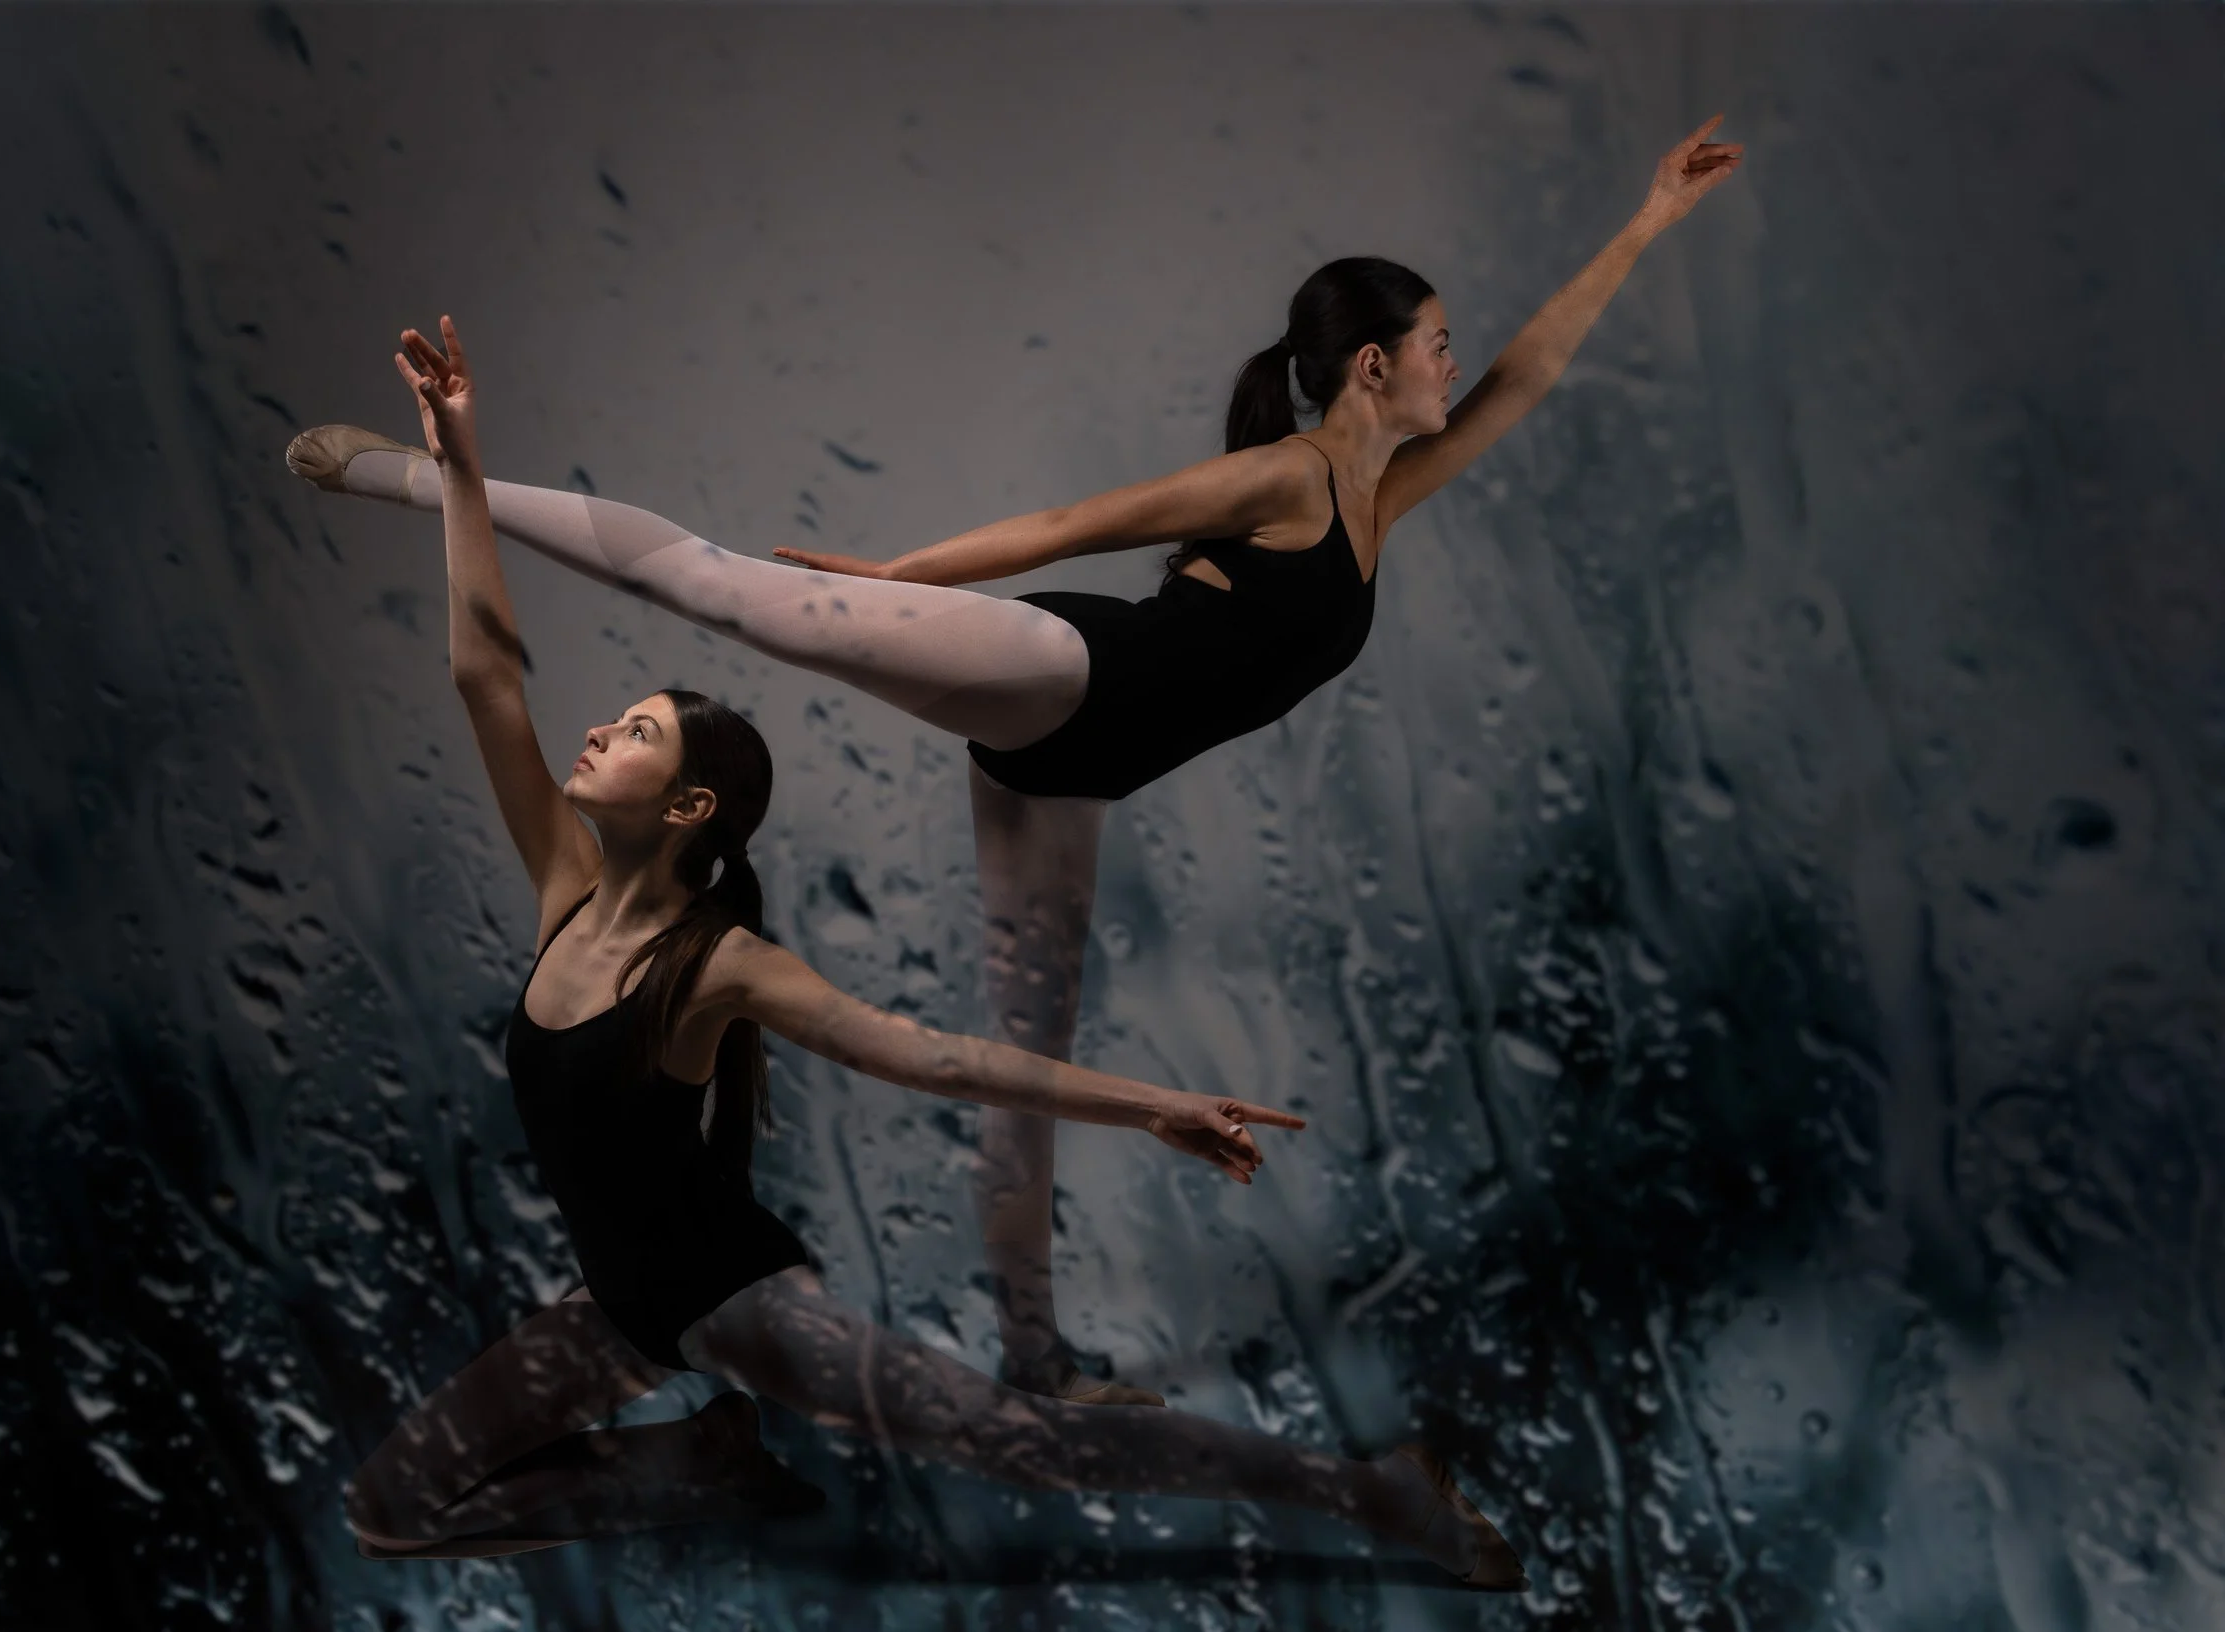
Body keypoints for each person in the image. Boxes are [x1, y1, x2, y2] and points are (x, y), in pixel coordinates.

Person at [288, 120, 1742, 1406]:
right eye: (1436, 340)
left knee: (1023, 1059)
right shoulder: (1290, 477)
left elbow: (1527, 377)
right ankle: (415, 471)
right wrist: (897, 578)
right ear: (1374, 363)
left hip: (1073, 777)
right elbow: (1072, 524)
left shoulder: (1384, 493)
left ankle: (1036, 1357)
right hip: (1066, 673)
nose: (1454, 361)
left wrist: (1648, 218)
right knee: (731, 589)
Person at [332, 357, 1524, 1587]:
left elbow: (939, 1058)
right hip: (611, 1311)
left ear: (688, 806)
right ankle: (700, 1466)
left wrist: (1151, 1103)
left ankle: (1373, 1490)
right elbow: (485, 674)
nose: (595, 730)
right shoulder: (564, 887)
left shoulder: (718, 963)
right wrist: (459, 466)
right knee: (391, 1510)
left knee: (1022, 1441)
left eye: (637, 731)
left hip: (734, 1304)